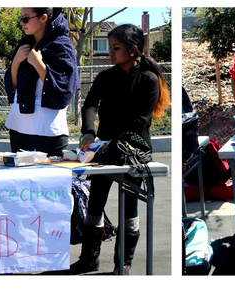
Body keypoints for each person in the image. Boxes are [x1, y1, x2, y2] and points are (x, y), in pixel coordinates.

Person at [71, 23, 170, 275]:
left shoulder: (148, 80)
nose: (110, 53)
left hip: (132, 151)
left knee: (129, 208)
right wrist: (89, 132)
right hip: (103, 149)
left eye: (116, 48)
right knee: (94, 205)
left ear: (134, 50)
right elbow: (89, 104)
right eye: (110, 48)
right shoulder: (106, 77)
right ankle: (89, 259)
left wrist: (105, 143)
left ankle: (122, 265)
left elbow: (139, 121)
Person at [4, 7, 78, 157]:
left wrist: (38, 64)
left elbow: (63, 90)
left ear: (43, 18)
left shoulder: (61, 45)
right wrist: (16, 62)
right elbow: (12, 88)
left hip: (48, 128)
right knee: (20, 180)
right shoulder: (24, 44)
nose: (22, 23)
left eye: (26, 18)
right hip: (19, 126)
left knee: (51, 179)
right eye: (21, 19)